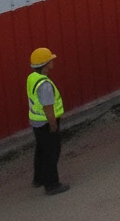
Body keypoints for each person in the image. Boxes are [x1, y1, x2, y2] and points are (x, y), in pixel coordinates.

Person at [27, 48, 68, 195]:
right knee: (51, 152)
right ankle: (52, 184)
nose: (53, 61)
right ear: (45, 64)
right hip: (46, 121)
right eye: (50, 60)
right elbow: (48, 107)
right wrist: (53, 124)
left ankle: (38, 179)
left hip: (36, 122)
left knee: (41, 149)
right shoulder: (44, 85)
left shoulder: (32, 77)